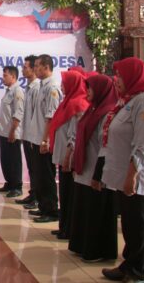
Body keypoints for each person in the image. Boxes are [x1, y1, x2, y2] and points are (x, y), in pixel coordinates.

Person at [101, 57, 144, 283]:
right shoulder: (129, 101)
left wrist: (132, 173)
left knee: (137, 223)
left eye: (121, 76)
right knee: (128, 222)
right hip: (124, 171)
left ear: (134, 77)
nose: (117, 80)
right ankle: (128, 264)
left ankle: (137, 271)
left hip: (137, 172)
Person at [68, 74, 118, 262]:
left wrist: (98, 175)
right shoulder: (93, 110)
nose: (87, 92)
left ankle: (98, 250)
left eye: (90, 88)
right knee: (84, 209)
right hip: (85, 168)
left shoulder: (106, 113)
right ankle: (82, 245)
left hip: (97, 171)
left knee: (97, 211)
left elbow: (104, 147)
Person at [49, 70, 89, 239]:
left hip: (70, 159)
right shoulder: (67, 102)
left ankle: (70, 229)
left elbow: (74, 134)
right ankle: (64, 225)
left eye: (65, 82)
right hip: (62, 156)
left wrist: (67, 157)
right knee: (64, 194)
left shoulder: (78, 104)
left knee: (70, 195)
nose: (62, 86)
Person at [29, 54, 61, 223]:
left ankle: (51, 210)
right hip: (36, 138)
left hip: (44, 140)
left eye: (37, 66)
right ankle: (43, 207)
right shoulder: (42, 85)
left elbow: (51, 117)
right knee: (39, 175)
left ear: (46, 67)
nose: (35, 69)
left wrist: (45, 140)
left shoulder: (52, 87)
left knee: (47, 176)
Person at [0, 66, 25, 198]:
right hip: (4, 132)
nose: (3, 78)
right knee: (6, 160)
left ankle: (17, 185)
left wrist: (13, 131)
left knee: (14, 160)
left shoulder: (17, 91)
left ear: (13, 77)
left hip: (12, 133)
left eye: (5, 75)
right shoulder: (8, 91)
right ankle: (10, 182)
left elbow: (18, 113)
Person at [16, 55, 40, 208]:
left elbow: (36, 115)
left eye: (25, 67)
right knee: (31, 167)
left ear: (33, 69)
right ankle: (33, 194)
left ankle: (38, 197)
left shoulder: (37, 88)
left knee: (37, 169)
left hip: (34, 136)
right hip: (27, 135)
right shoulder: (28, 87)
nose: (23, 70)